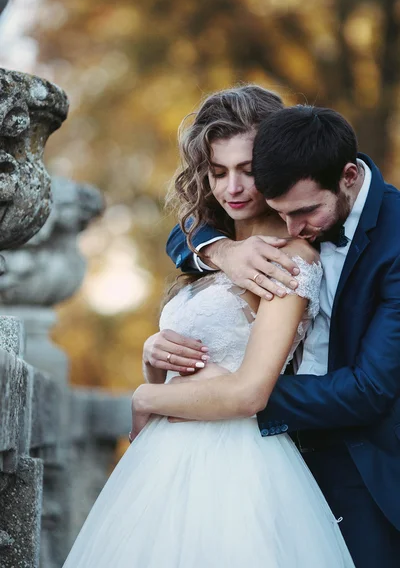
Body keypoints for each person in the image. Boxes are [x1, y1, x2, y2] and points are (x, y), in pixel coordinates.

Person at [62, 86, 354, 568]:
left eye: (248, 171)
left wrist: (142, 397)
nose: (232, 189)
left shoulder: (291, 260)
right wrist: (154, 358)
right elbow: (192, 365)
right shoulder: (207, 246)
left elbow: (249, 392)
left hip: (236, 465)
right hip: (166, 459)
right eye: (218, 173)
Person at [154, 103, 400, 568]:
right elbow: (185, 232)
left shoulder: (395, 238)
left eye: (304, 212)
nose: (291, 229)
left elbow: (370, 389)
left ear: (348, 177)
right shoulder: (290, 203)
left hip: (364, 467)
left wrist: (232, 391)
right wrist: (222, 250)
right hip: (260, 462)